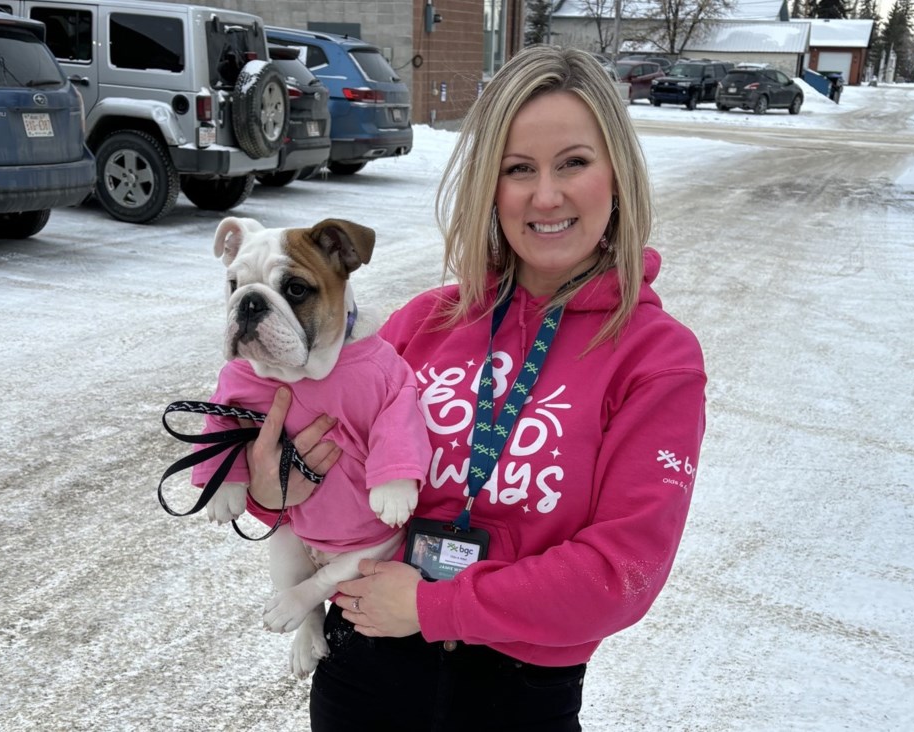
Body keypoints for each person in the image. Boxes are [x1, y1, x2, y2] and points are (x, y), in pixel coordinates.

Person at [246, 44, 707, 731]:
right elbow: (303, 469)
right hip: (363, 672)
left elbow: (622, 571)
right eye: (519, 169)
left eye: (573, 163)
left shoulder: (654, 357)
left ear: (617, 174)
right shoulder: (422, 324)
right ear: (491, 185)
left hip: (516, 697)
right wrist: (272, 490)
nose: (545, 196)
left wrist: (437, 605)